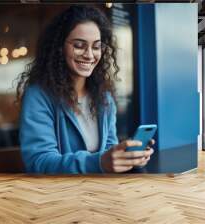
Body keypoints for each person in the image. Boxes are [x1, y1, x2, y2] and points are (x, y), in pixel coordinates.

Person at [17, 5, 154, 174]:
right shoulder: (38, 96)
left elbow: (109, 149)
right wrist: (99, 163)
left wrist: (128, 158)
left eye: (96, 46)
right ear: (60, 47)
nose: (89, 55)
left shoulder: (104, 97)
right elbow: (39, 162)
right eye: (79, 45)